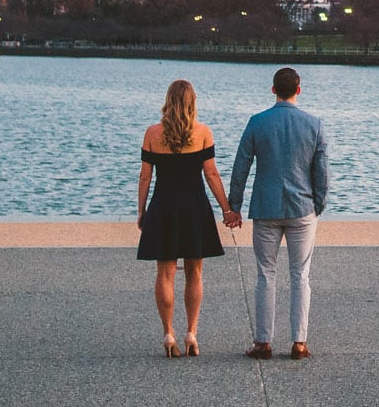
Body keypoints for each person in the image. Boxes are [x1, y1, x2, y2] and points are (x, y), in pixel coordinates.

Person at [225, 66, 330, 360]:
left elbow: (241, 166)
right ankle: (299, 342)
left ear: (273, 90)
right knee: (300, 275)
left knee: (265, 274)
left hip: (266, 208)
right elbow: (321, 173)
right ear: (298, 89)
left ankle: (263, 342)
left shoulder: (257, 122)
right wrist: (317, 205)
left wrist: (235, 205)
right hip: (302, 208)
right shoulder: (314, 125)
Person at [137, 78, 235, 358]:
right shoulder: (203, 132)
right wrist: (227, 209)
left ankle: (168, 333)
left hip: (164, 206)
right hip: (194, 207)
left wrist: (141, 211)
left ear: (168, 101)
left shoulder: (153, 133)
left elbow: (146, 176)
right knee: (195, 272)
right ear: (193, 103)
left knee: (165, 272)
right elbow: (211, 173)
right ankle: (191, 332)